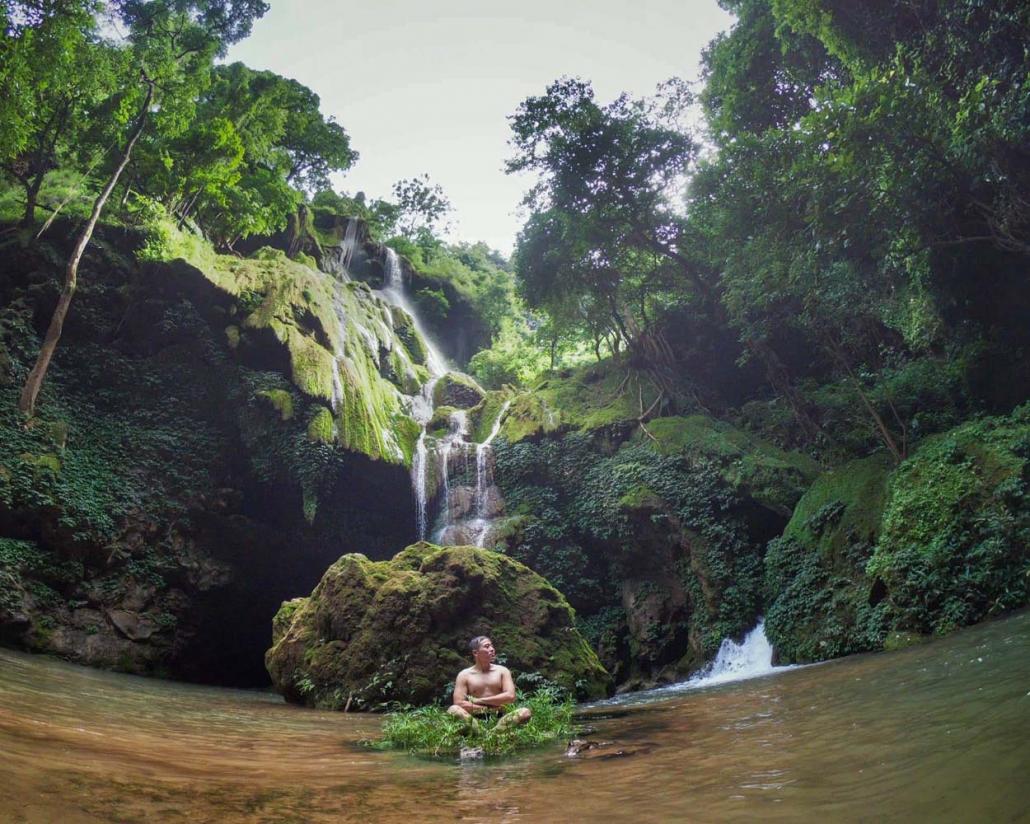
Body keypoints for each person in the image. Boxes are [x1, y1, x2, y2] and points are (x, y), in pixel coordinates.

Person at [447, 635, 532, 729]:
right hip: (474, 717)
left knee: (525, 712)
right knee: (453, 709)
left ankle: (496, 730)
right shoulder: (464, 675)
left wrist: (479, 700)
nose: (492, 649)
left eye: (492, 646)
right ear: (475, 653)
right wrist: (487, 709)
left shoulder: (502, 671)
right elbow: (459, 703)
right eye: (487, 646)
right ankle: (478, 730)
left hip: (501, 717)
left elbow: (510, 696)